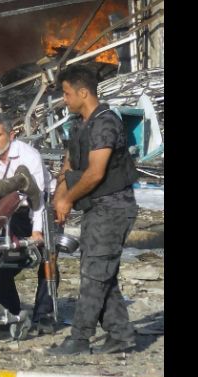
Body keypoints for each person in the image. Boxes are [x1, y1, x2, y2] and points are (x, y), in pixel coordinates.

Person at [48, 65, 139, 356]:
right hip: (94, 208)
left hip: (113, 207)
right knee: (103, 272)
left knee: (93, 274)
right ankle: (121, 335)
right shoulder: (78, 123)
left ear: (83, 93)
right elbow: (70, 164)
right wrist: (59, 196)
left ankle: (79, 338)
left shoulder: (106, 123)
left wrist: (68, 199)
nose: (64, 99)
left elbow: (95, 173)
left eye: (67, 93)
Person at [0, 112, 58, 334]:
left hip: (40, 207)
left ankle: (44, 315)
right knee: (1, 266)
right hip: (9, 213)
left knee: (47, 260)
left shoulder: (28, 155)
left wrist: (37, 232)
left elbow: (38, 199)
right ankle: (10, 314)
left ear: (11, 135)